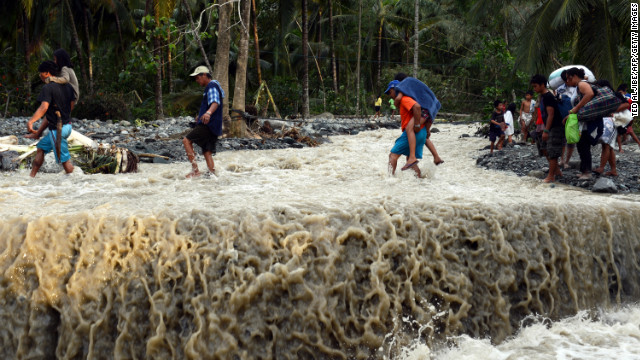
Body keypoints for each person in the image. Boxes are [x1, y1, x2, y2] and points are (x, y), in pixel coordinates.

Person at [24, 61, 76, 177]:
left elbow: (44, 107)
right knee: (41, 147)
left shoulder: (48, 88)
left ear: (47, 73)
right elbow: (68, 107)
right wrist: (38, 133)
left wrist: (31, 121)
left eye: (41, 73)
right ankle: (31, 177)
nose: (40, 76)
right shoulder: (68, 87)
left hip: (58, 130)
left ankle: (77, 183)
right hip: (67, 126)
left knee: (65, 161)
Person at [390, 73, 444, 165]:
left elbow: (399, 98)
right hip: (431, 109)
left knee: (409, 128)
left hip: (424, 110)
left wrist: (395, 103)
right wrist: (427, 129)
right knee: (426, 135)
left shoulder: (404, 85)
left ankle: (412, 157)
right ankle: (436, 157)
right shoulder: (413, 84)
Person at [183, 65, 225, 178]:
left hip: (208, 124)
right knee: (207, 150)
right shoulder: (215, 86)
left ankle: (195, 171)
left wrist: (208, 113)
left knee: (186, 141)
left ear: (205, 75)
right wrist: (201, 115)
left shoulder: (211, 86)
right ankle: (212, 174)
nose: (197, 80)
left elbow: (215, 102)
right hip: (215, 126)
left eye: (198, 78)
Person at [385, 80, 427, 177]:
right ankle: (420, 181)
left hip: (412, 133)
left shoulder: (404, 99)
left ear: (396, 90)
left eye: (390, 92)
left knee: (393, 155)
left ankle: (389, 180)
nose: (390, 95)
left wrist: (416, 125)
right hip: (421, 132)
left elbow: (417, 107)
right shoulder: (405, 98)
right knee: (410, 161)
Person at [531, 74, 564, 183]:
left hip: (555, 126)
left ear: (542, 85)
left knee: (552, 151)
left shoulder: (548, 96)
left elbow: (551, 114)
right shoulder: (542, 96)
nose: (534, 89)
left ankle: (551, 176)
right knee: (545, 149)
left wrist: (546, 130)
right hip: (548, 126)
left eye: (535, 86)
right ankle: (557, 171)